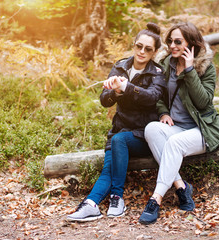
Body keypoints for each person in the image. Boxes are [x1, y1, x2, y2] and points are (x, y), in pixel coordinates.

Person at [67, 23, 166, 222]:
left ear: (154, 52)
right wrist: (115, 91)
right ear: (134, 45)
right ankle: (91, 204)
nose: (142, 51)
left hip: (143, 134)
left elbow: (152, 98)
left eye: (148, 49)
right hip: (120, 131)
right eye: (139, 46)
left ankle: (116, 197)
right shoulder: (120, 66)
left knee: (119, 140)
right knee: (108, 169)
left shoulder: (157, 72)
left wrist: (126, 87)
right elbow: (104, 100)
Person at [138, 22, 219, 225]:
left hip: (202, 130)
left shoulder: (206, 68)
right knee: (151, 129)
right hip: (177, 127)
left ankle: (155, 199)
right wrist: (164, 112)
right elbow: (159, 94)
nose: (172, 45)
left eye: (178, 42)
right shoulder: (167, 63)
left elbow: (204, 102)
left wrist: (189, 70)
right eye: (170, 41)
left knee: (174, 143)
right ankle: (181, 187)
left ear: (192, 44)